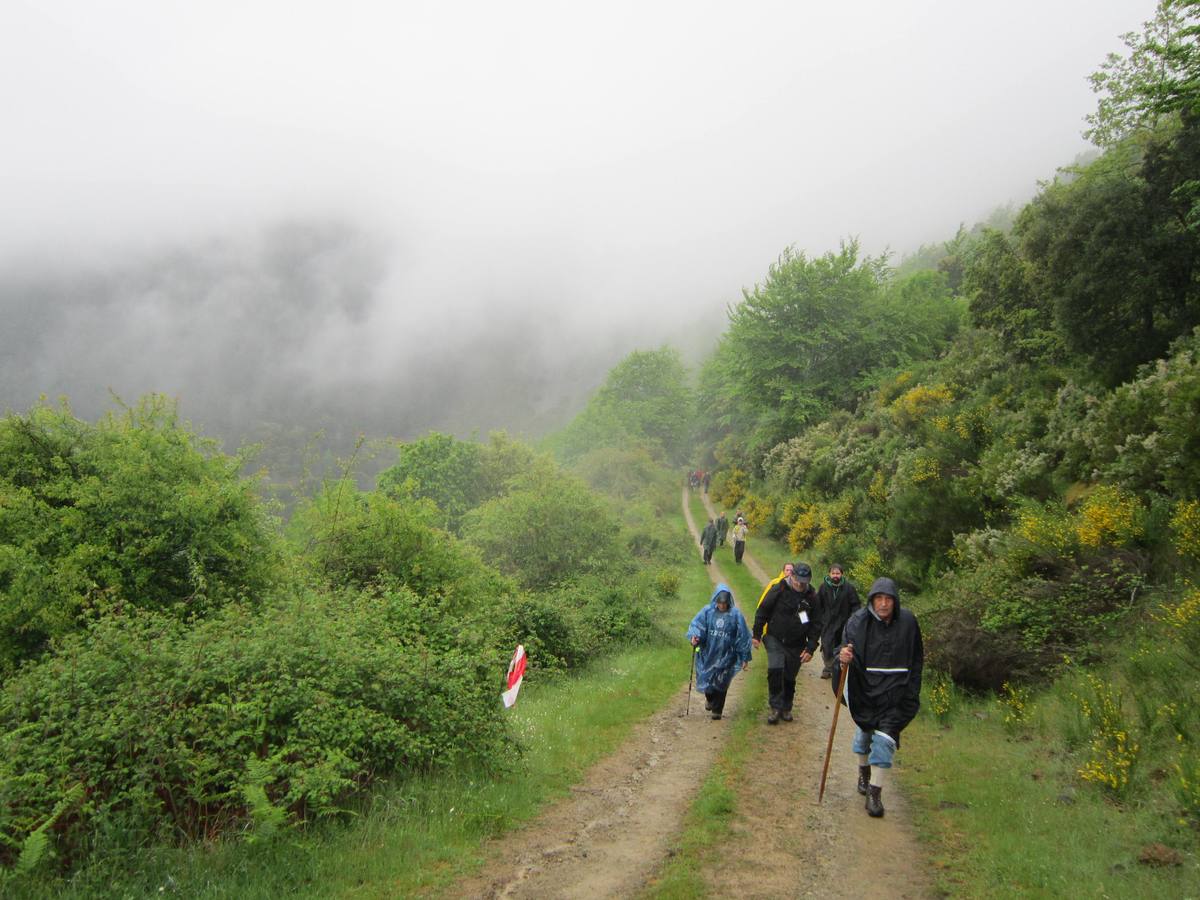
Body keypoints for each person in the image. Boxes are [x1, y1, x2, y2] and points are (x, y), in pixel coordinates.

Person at [835, 576, 923, 818]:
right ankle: (863, 772)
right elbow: (842, 651)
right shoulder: (857, 622)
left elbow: (917, 659)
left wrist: (912, 692)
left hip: (896, 695)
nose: (884, 604)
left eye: (888, 599)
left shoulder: (908, 623)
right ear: (872, 600)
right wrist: (842, 657)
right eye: (879, 599)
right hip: (865, 691)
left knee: (885, 740)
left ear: (895, 601)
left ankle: (875, 793)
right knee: (865, 733)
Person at [752, 562, 820, 724]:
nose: (800, 583)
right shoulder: (779, 589)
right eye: (797, 579)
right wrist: (757, 633)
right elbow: (763, 611)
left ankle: (786, 707)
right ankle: (775, 707)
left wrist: (810, 648)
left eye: (804, 581)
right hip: (775, 637)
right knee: (776, 669)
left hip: (797, 643)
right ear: (792, 576)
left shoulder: (812, 597)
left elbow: (816, 624)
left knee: (789, 676)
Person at [686, 583, 752, 720]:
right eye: (720, 603)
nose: (722, 606)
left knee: (722, 683)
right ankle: (710, 699)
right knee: (708, 683)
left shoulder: (735, 615)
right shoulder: (707, 612)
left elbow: (743, 636)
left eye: (725, 603)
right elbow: (697, 626)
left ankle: (718, 710)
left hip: (728, 656)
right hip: (708, 653)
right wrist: (695, 636)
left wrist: (744, 656)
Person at [815, 564, 861, 680]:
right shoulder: (823, 587)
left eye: (838, 573)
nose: (835, 576)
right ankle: (828, 667)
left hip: (843, 623)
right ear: (829, 574)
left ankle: (836, 670)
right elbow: (817, 605)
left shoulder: (849, 588)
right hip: (827, 623)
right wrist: (819, 619)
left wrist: (852, 620)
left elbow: (855, 605)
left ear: (842, 574)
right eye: (833, 573)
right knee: (826, 645)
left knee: (840, 647)